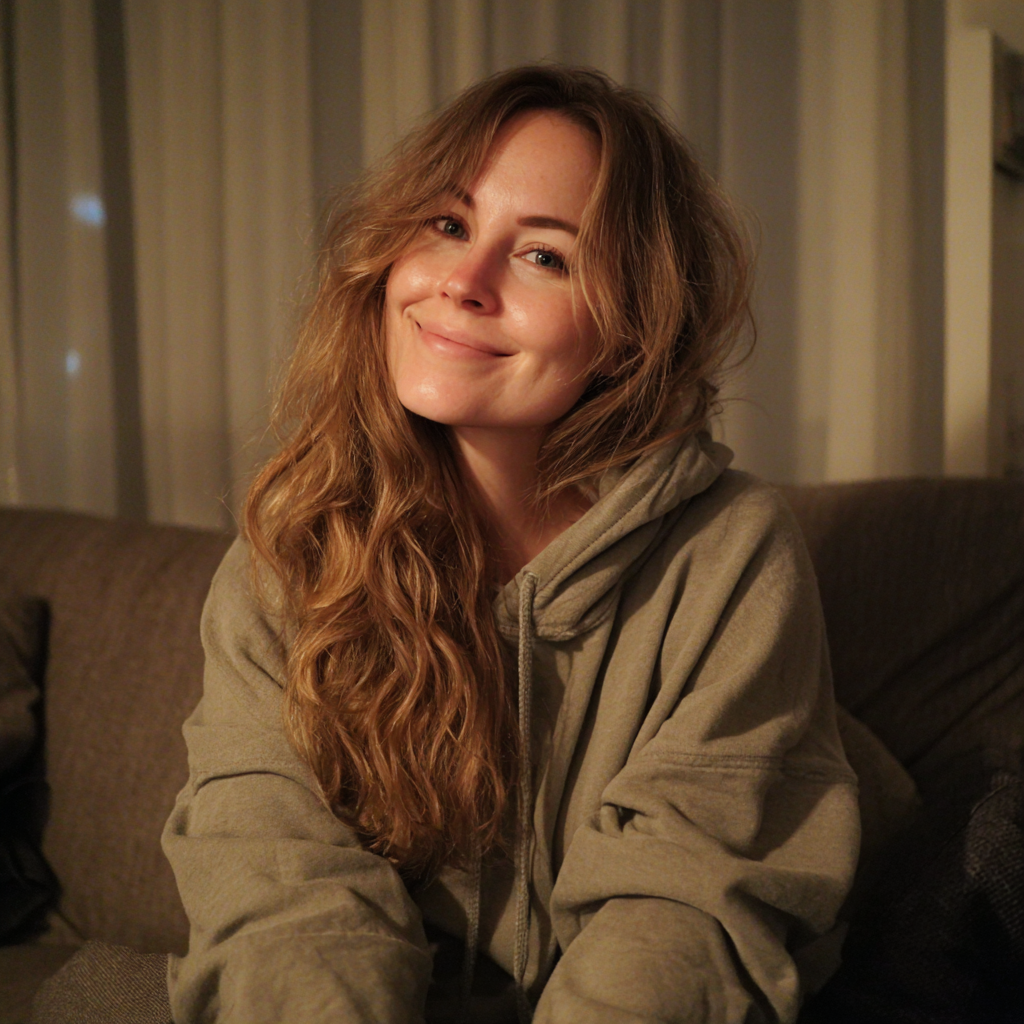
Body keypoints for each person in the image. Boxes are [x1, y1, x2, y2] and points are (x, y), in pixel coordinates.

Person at [162, 65, 860, 1024]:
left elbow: (683, 912)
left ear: (630, 329)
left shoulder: (730, 554)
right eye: (448, 225)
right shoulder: (292, 548)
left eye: (543, 256)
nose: (463, 280)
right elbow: (278, 886)